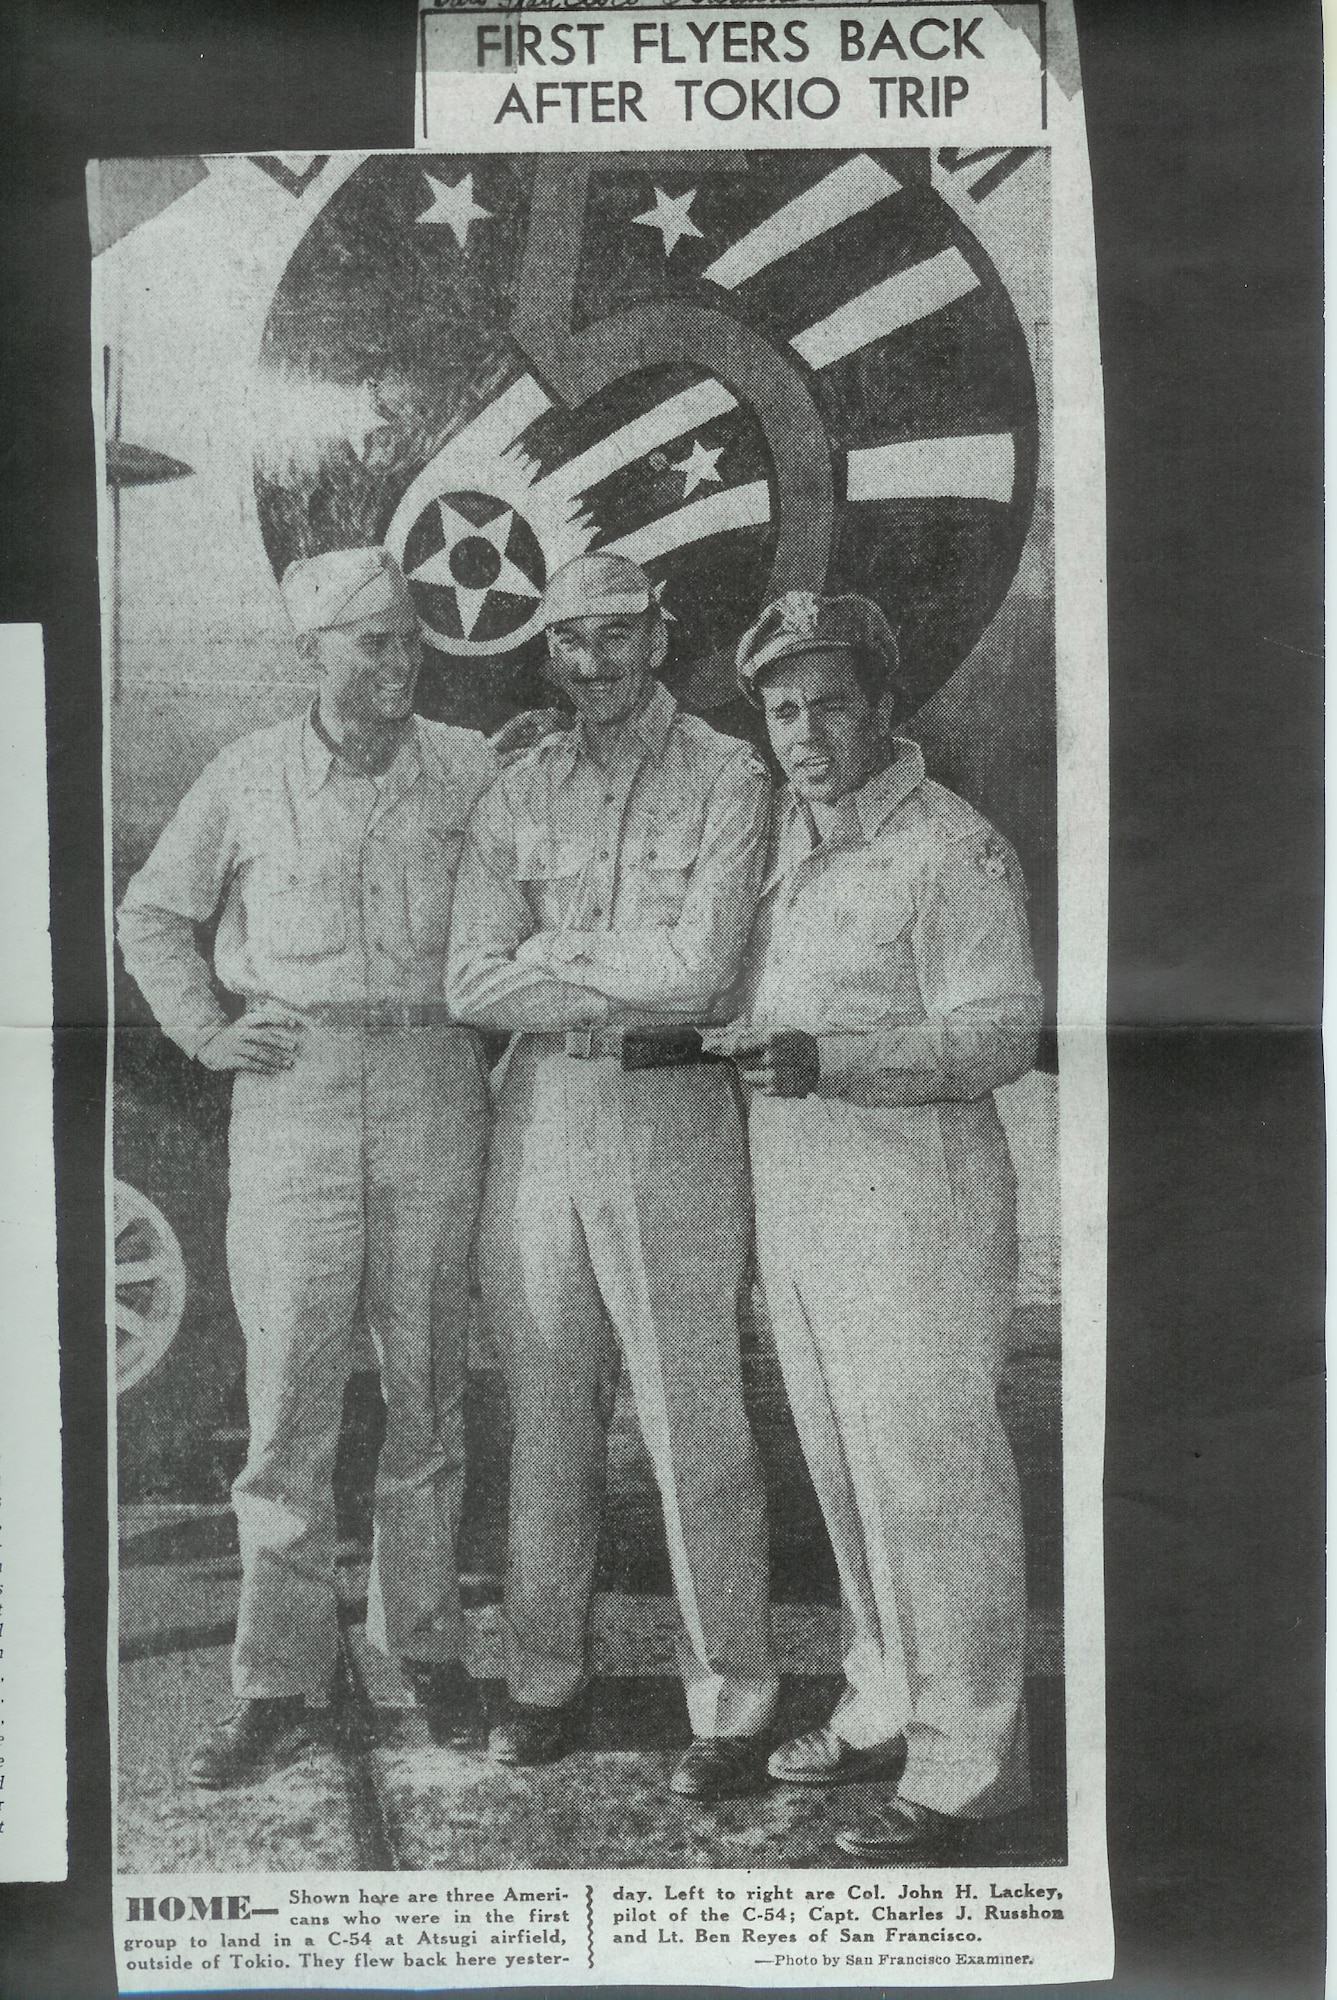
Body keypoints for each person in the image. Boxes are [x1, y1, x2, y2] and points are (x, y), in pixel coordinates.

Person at [118, 547, 507, 1787]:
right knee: (287, 1401)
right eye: (371, 643)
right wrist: (206, 1030)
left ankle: (429, 1645)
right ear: (312, 655)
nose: (399, 662)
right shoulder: (244, 775)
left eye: (407, 639)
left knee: (428, 1388)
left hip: (433, 1083)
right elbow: (151, 914)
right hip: (292, 1093)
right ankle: (274, 1680)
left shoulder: (471, 767)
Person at [713, 590, 1044, 1859]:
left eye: (830, 703)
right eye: (782, 709)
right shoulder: (793, 844)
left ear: (886, 710)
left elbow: (997, 1031)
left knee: (934, 1481)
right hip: (806, 1201)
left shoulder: (948, 849)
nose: (804, 730)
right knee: (847, 1477)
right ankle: (883, 1697)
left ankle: (968, 1764)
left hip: (917, 1202)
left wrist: (831, 1058)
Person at [444, 551, 780, 1798]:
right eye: (570, 641)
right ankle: (542, 1679)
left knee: (693, 1416)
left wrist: (554, 949)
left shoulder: (726, 772)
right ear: (548, 654)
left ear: (661, 633)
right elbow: (466, 981)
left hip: (669, 1102)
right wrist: (600, 956)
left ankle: (732, 1700)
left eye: (616, 634)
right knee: (544, 1416)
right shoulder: (517, 786)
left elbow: (702, 973)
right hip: (540, 1110)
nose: (594, 660)